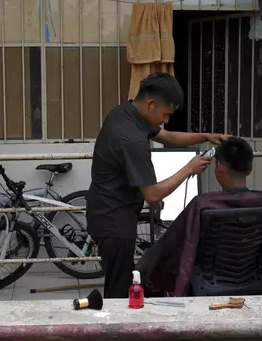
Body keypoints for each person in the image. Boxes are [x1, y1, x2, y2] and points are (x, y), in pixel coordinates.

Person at [86, 72, 228, 299]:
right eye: (165, 114)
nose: (166, 120)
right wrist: (189, 168)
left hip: (106, 208)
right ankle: (114, 330)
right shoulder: (131, 139)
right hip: (113, 219)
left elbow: (168, 137)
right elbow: (152, 195)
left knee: (119, 282)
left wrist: (205, 136)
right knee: (118, 290)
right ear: (151, 104)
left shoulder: (126, 112)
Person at [136, 137, 262, 296]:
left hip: (206, 284)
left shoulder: (202, 205)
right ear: (250, 168)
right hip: (254, 280)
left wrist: (143, 264)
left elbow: (169, 250)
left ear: (219, 167)